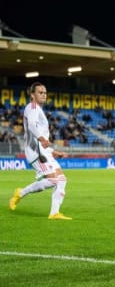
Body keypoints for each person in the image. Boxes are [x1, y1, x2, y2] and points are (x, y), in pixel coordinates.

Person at [9, 82, 71, 220]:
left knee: (61, 180)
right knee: (54, 180)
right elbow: (31, 126)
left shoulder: (38, 109)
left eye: (45, 92)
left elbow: (40, 134)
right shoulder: (32, 108)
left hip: (43, 151)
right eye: (40, 92)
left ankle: (54, 213)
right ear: (32, 95)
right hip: (35, 151)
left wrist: (53, 151)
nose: (43, 94)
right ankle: (21, 193)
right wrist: (42, 139)